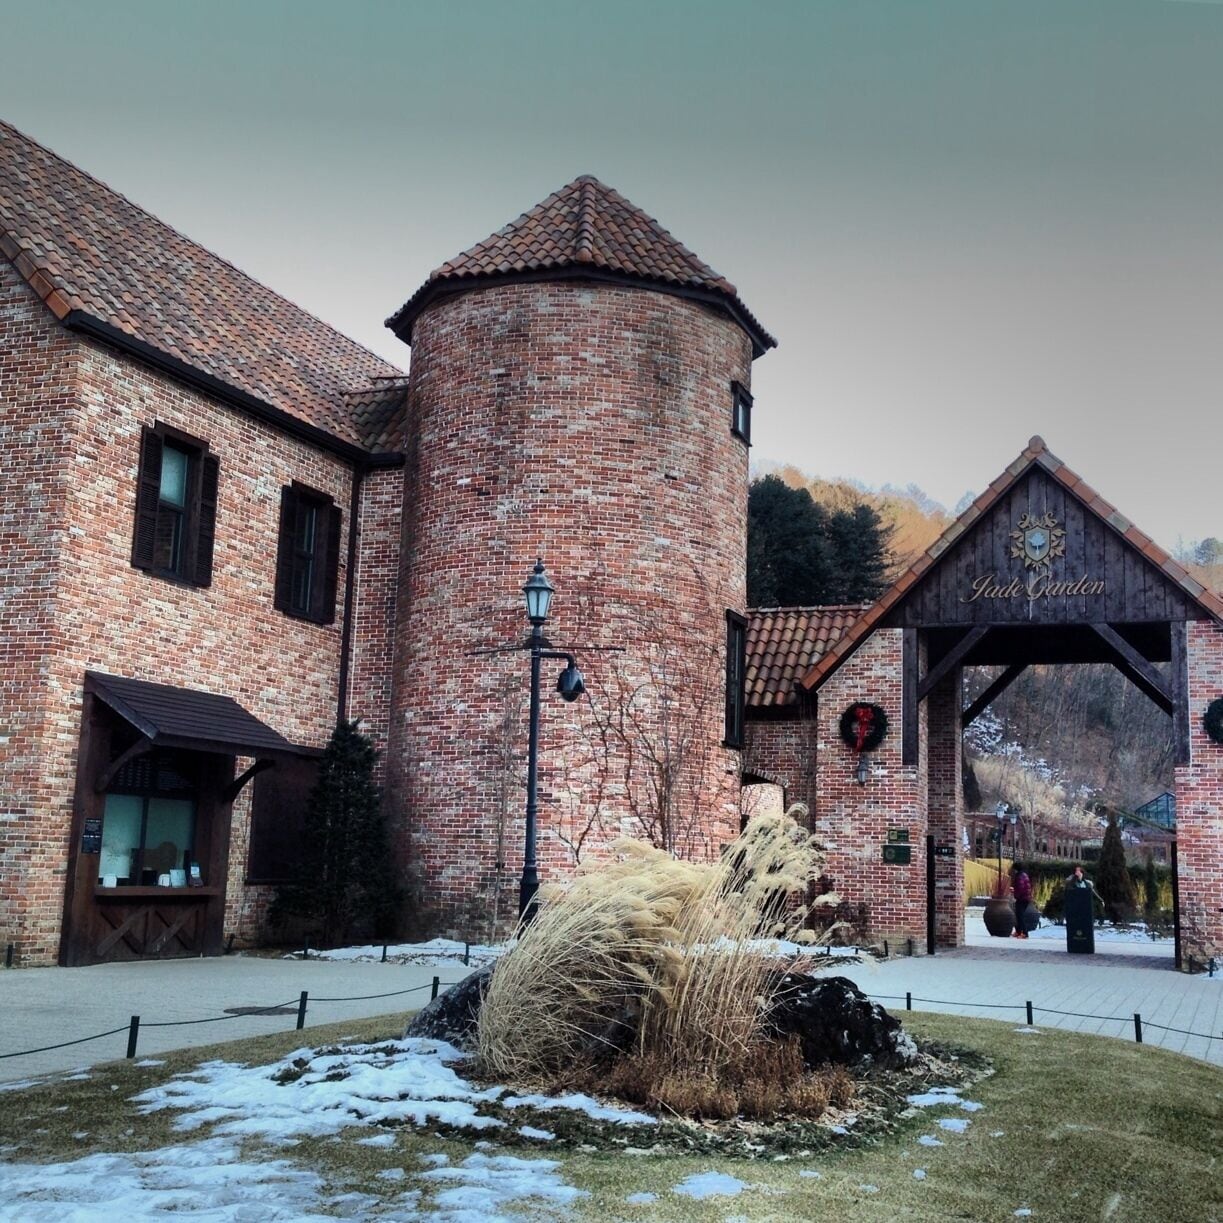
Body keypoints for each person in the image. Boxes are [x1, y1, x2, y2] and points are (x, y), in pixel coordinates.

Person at [1011, 863, 1033, 938]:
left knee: (1020, 916)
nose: (1012, 870)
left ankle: (1024, 933)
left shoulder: (1019, 876)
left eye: (1013, 869)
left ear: (1015, 869)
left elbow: (1020, 887)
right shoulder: (1024, 874)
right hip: (1025, 897)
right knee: (1018, 915)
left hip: (1022, 898)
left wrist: (1016, 895)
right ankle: (1018, 931)